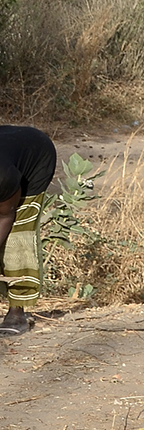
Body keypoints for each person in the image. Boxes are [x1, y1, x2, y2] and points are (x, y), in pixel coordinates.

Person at [0, 125, 57, 337]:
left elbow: (5, 216)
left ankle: (17, 311)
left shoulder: (3, 177)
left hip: (35, 158)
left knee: (17, 237)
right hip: (9, 145)